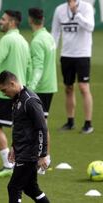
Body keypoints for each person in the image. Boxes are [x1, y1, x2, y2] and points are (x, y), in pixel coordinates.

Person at [0, 10, 31, 177]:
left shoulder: (7, 39)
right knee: (17, 128)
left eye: (3, 19)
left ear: (12, 22)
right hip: (20, 91)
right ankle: (24, 163)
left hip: (5, 93)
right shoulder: (23, 40)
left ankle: (8, 165)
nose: (0, 21)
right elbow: (29, 65)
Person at [0, 71, 50, 203]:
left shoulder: (29, 101)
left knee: (14, 187)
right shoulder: (17, 99)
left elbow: (42, 128)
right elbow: (20, 127)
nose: (4, 94)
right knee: (31, 188)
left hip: (29, 153)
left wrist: (43, 154)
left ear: (12, 84)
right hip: (22, 150)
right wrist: (14, 146)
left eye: (4, 90)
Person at [51, 0, 94, 134]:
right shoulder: (59, 9)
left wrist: (76, 13)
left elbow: (90, 27)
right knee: (68, 88)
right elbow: (55, 32)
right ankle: (70, 122)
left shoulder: (86, 8)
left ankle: (88, 123)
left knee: (83, 87)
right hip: (66, 54)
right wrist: (52, 51)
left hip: (82, 54)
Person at [27, 8, 57, 174]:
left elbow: (38, 67)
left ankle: (44, 161)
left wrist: (30, 87)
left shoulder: (38, 41)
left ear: (30, 20)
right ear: (43, 20)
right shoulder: (48, 37)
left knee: (40, 126)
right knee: (40, 125)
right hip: (49, 85)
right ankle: (43, 159)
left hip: (41, 88)